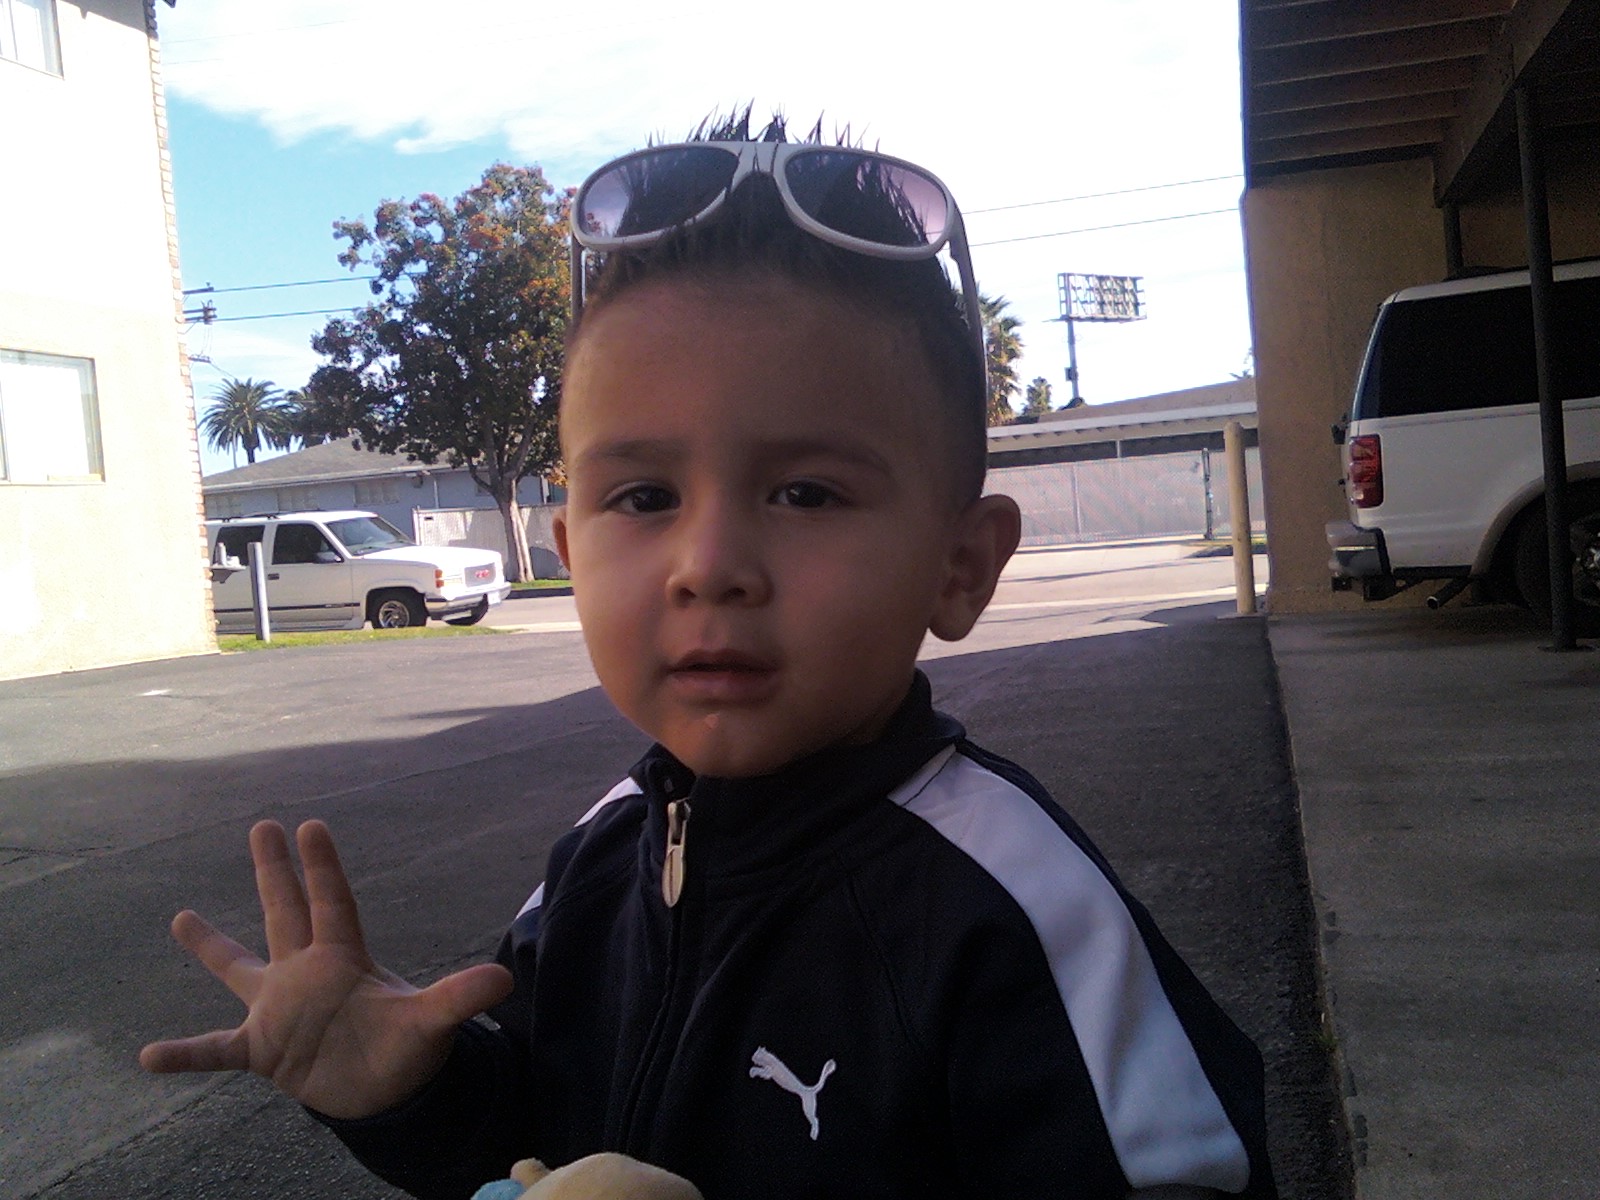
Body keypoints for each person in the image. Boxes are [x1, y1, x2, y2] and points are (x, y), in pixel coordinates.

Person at [142, 114, 1277, 1200]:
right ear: (571, 550)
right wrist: (410, 1094)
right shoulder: (597, 858)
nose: (709, 563)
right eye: (643, 495)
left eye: (804, 491)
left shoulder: (1012, 908)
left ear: (959, 568)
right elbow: (541, 1140)